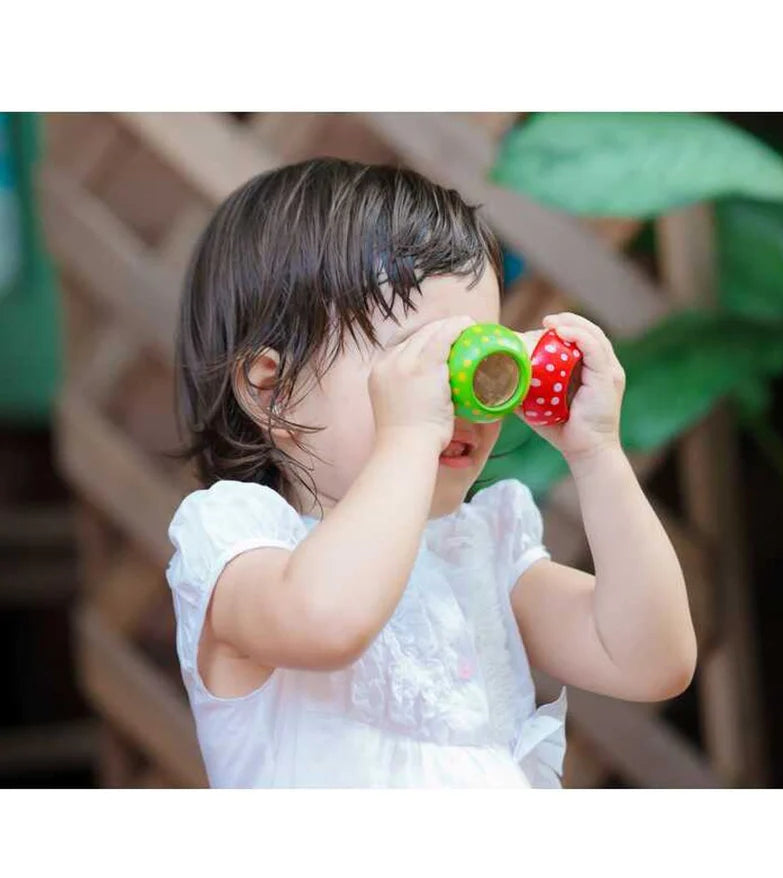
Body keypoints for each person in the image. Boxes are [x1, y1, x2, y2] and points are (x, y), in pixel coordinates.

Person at [166, 158, 696, 788]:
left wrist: (597, 453)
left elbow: (650, 660)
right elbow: (328, 620)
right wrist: (410, 435)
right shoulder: (240, 548)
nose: (464, 399)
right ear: (273, 391)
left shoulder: (481, 554)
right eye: (424, 360)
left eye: (480, 357)